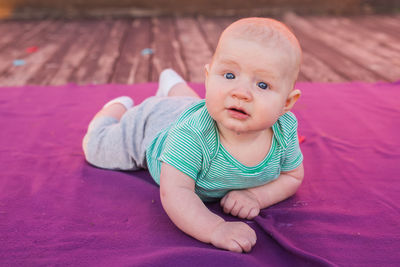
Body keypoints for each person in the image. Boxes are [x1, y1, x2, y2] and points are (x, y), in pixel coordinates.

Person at [83, 17, 304, 253]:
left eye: (262, 85)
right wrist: (215, 228)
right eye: (229, 76)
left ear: (287, 103)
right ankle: (114, 109)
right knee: (96, 149)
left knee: (188, 103)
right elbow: (176, 192)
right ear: (208, 79)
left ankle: (172, 86)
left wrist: (254, 196)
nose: (241, 93)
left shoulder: (284, 130)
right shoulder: (192, 135)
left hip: (189, 107)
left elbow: (292, 176)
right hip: (151, 125)